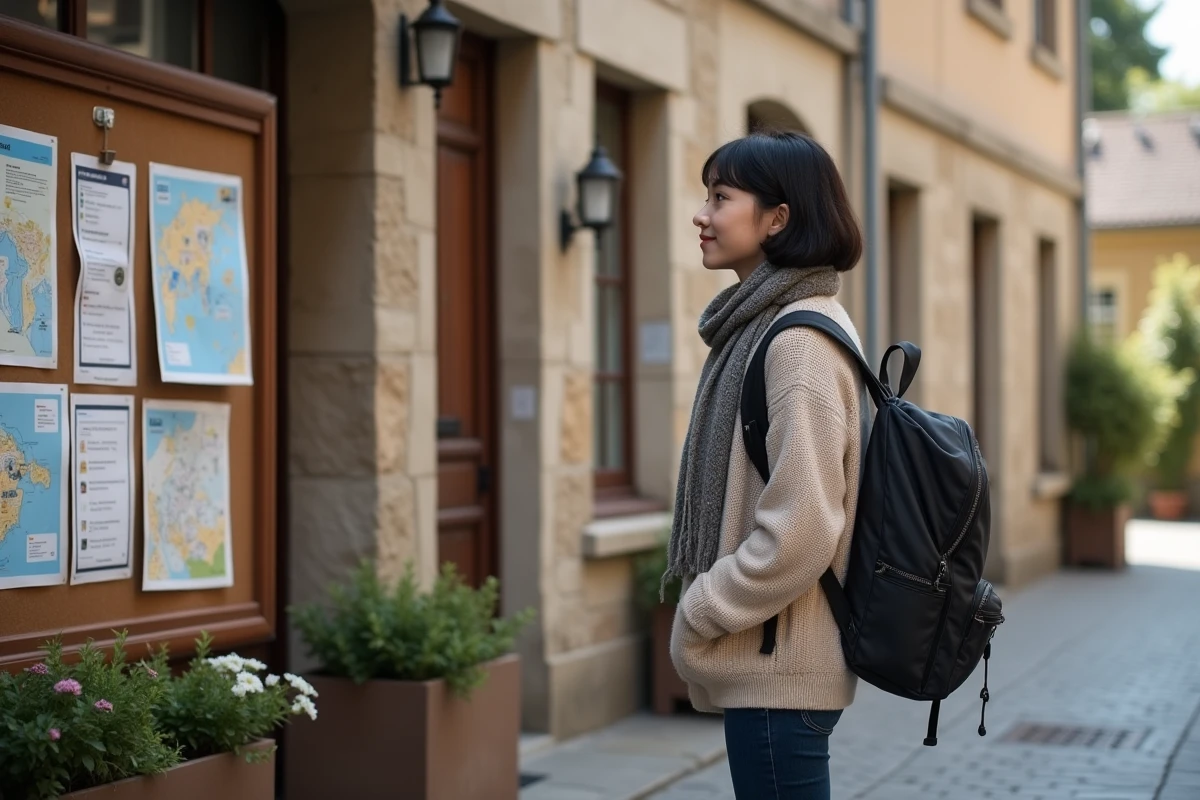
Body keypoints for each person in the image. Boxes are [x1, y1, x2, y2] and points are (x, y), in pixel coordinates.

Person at [666, 129, 866, 799]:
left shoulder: (796, 342)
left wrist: (702, 607)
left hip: (780, 669)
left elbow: (802, 529)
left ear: (777, 219)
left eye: (721, 197)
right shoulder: (767, 326)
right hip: (773, 662)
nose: (702, 215)